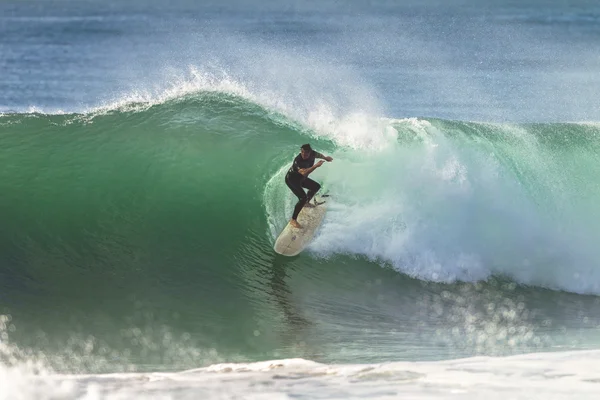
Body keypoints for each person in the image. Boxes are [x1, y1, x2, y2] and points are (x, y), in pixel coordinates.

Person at [285, 144, 333, 229]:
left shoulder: (313, 153)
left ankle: (306, 203)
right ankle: (293, 220)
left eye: (306, 153)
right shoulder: (297, 161)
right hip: (292, 180)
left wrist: (325, 158)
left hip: (301, 179)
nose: (303, 155)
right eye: (302, 152)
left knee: (316, 187)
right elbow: (303, 172)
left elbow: (318, 155)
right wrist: (315, 166)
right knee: (302, 198)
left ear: (310, 153)